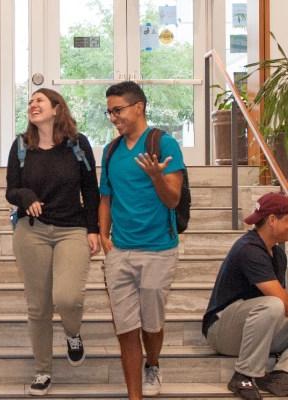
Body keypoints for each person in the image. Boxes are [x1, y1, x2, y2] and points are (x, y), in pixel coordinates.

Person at [6, 88, 100, 396]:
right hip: (31, 231)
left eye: (39, 101)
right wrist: (26, 197)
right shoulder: (21, 146)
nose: (33, 105)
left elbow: (91, 189)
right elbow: (11, 190)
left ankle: (73, 333)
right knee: (39, 307)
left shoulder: (77, 144)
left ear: (57, 109)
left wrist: (93, 229)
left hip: (71, 229)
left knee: (67, 297)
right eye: (30, 102)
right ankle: (43, 371)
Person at [98, 81, 185, 400]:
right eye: (109, 112)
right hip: (120, 251)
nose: (113, 117)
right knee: (125, 328)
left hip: (159, 250)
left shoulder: (164, 144)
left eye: (118, 110)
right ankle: (134, 396)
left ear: (139, 107)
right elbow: (105, 197)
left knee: (152, 324)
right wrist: (104, 236)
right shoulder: (111, 151)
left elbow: (173, 199)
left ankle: (153, 363)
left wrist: (156, 177)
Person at [203, 192, 288, 400]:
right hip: (221, 331)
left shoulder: (278, 254)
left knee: (275, 306)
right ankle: (244, 374)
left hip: (252, 331)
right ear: (272, 220)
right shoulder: (249, 249)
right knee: (274, 305)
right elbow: (282, 302)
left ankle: (280, 375)